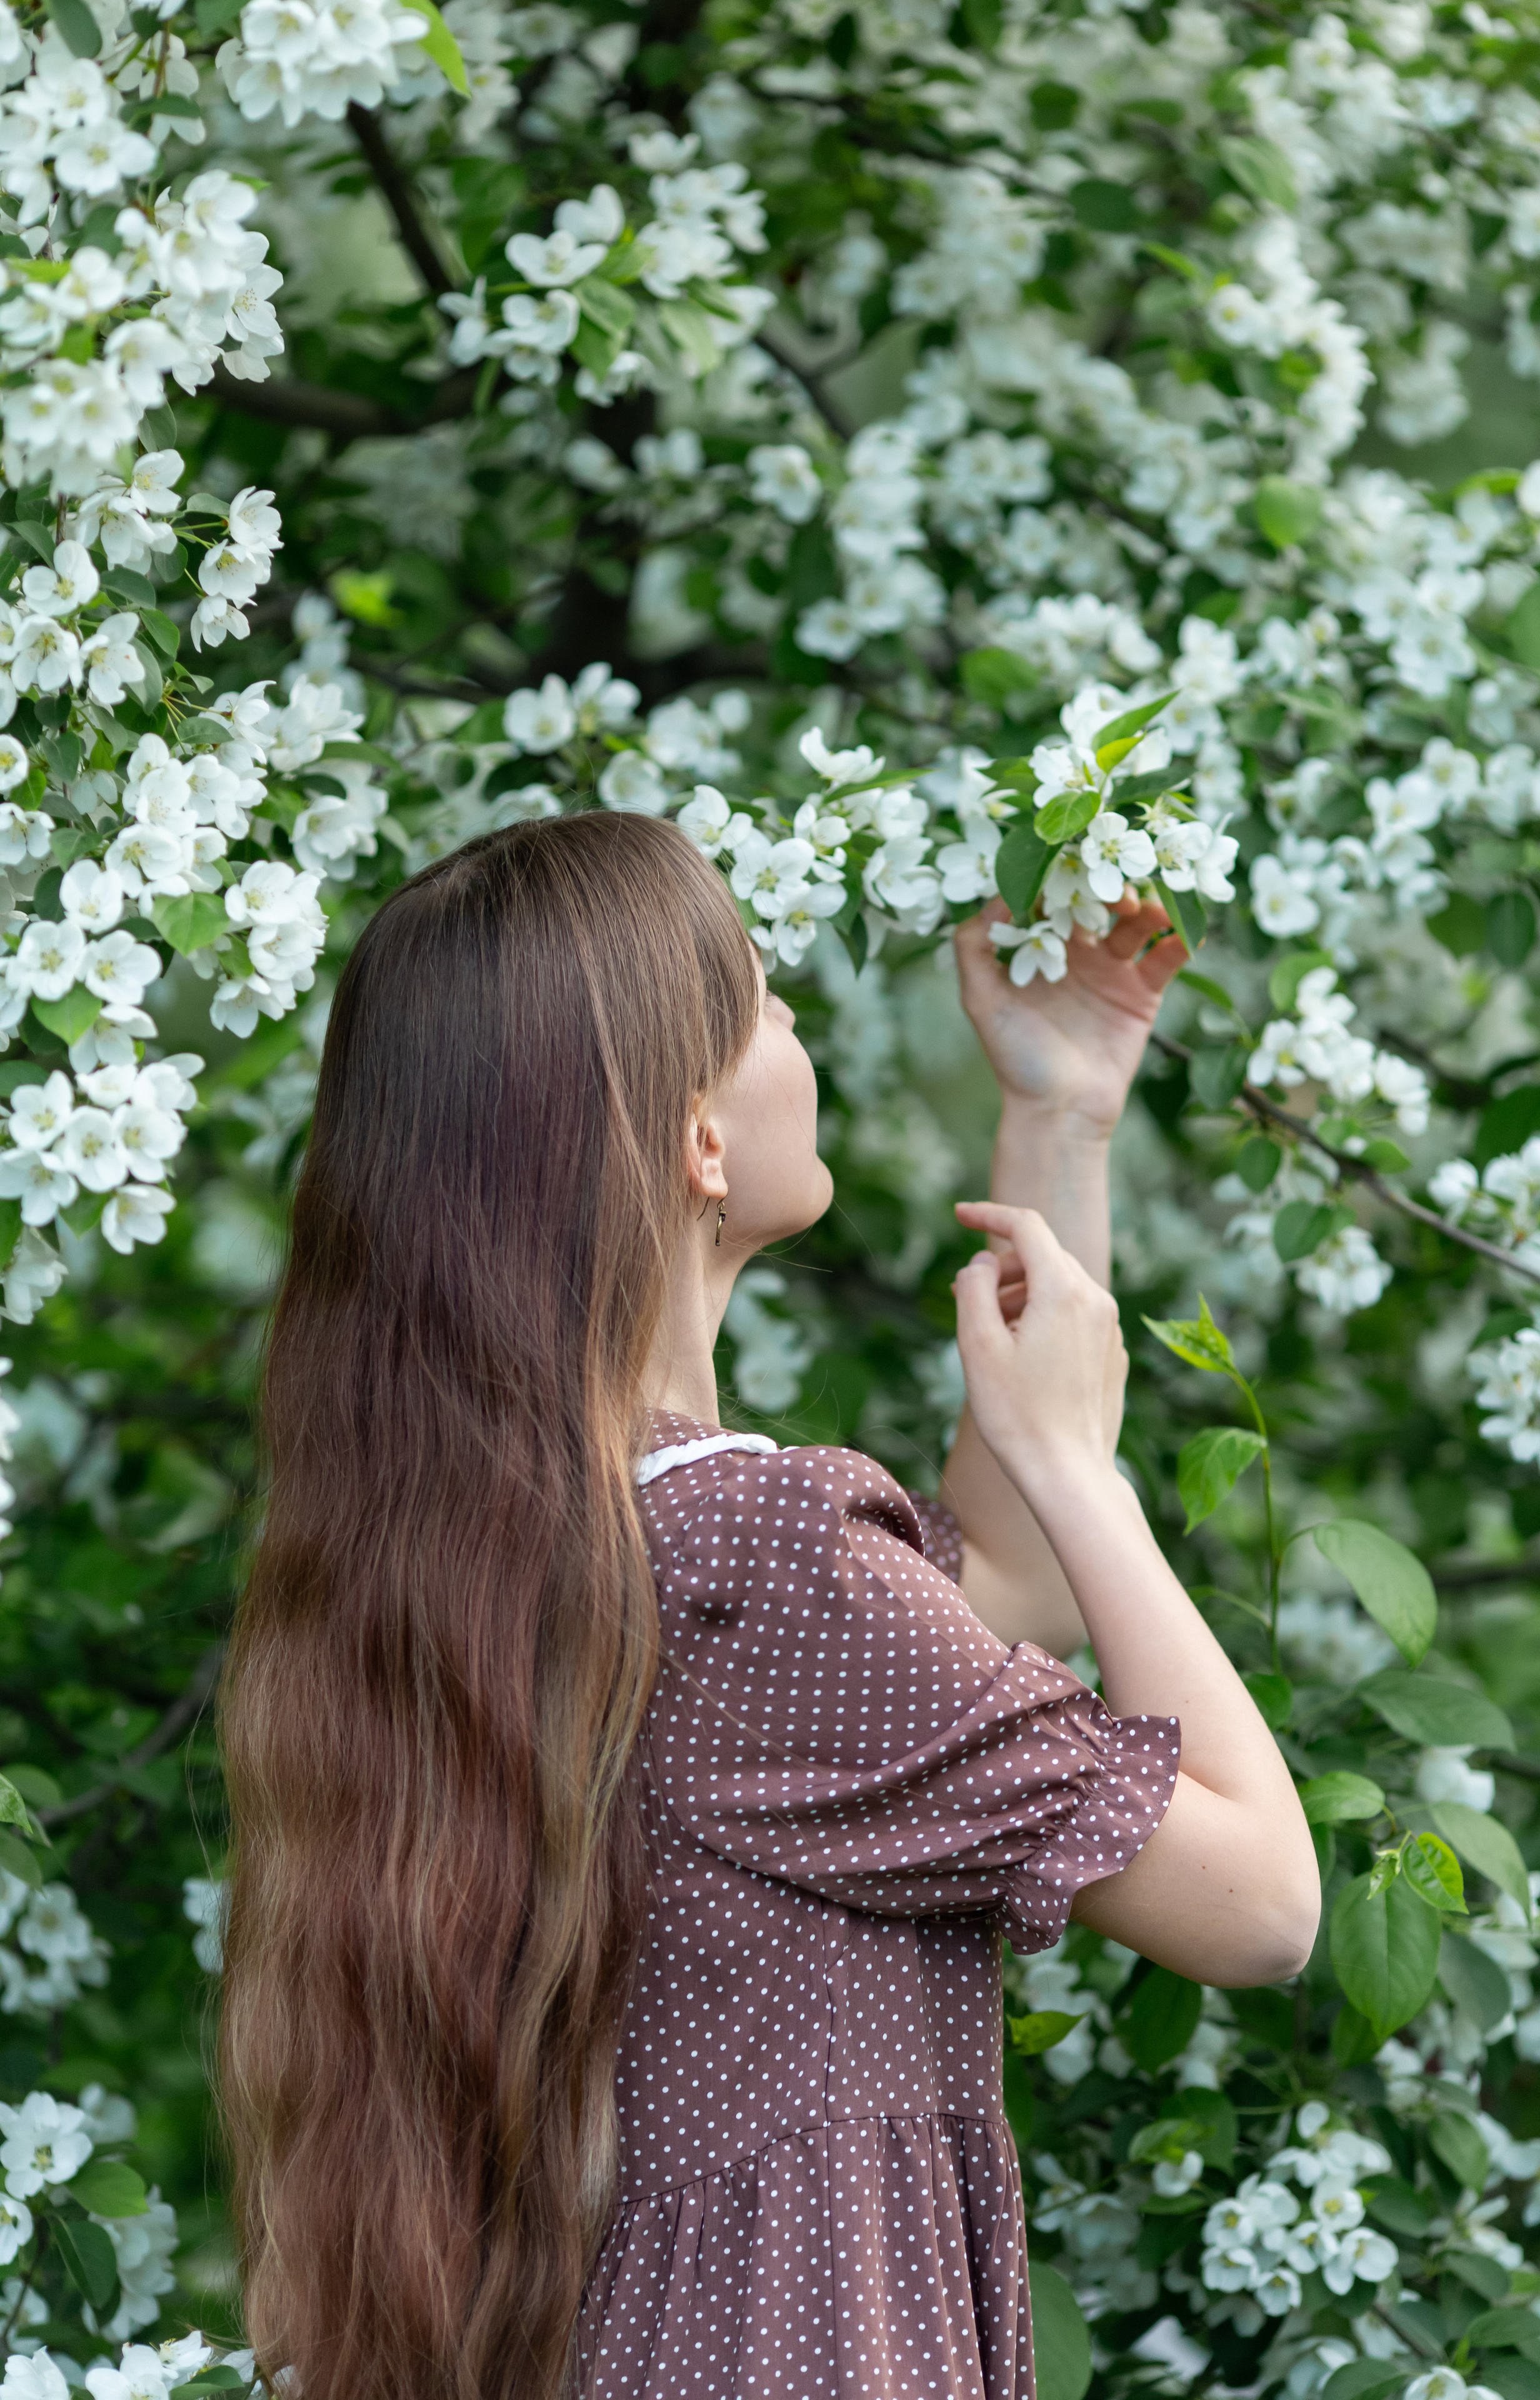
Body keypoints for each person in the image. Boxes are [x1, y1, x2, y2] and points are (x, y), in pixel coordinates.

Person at [217, 811, 1321, 2400]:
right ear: (701, 1142)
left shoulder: (531, 1548)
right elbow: (1264, 1905)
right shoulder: (761, 1554)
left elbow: (991, 1612)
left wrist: (1060, 1118)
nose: (799, 1024)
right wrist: (1085, 1471)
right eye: (761, 995)